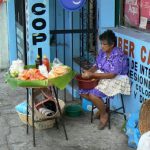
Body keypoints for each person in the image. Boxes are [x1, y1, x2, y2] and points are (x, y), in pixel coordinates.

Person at [80, 30, 130, 130]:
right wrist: (88, 72)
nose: (102, 46)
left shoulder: (118, 55)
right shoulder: (102, 52)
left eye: (104, 44)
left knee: (93, 95)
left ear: (112, 45)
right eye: (101, 43)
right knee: (83, 92)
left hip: (117, 78)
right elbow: (96, 65)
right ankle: (102, 107)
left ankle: (104, 114)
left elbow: (112, 75)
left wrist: (92, 75)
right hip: (102, 75)